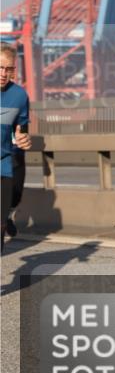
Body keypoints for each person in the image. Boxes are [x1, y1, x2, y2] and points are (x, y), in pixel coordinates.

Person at [1, 43, 32, 253]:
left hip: (3, 163)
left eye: (9, 69)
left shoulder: (19, 96)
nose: (4, 74)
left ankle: (7, 217)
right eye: (0, 68)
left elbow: (22, 129)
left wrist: (23, 138)